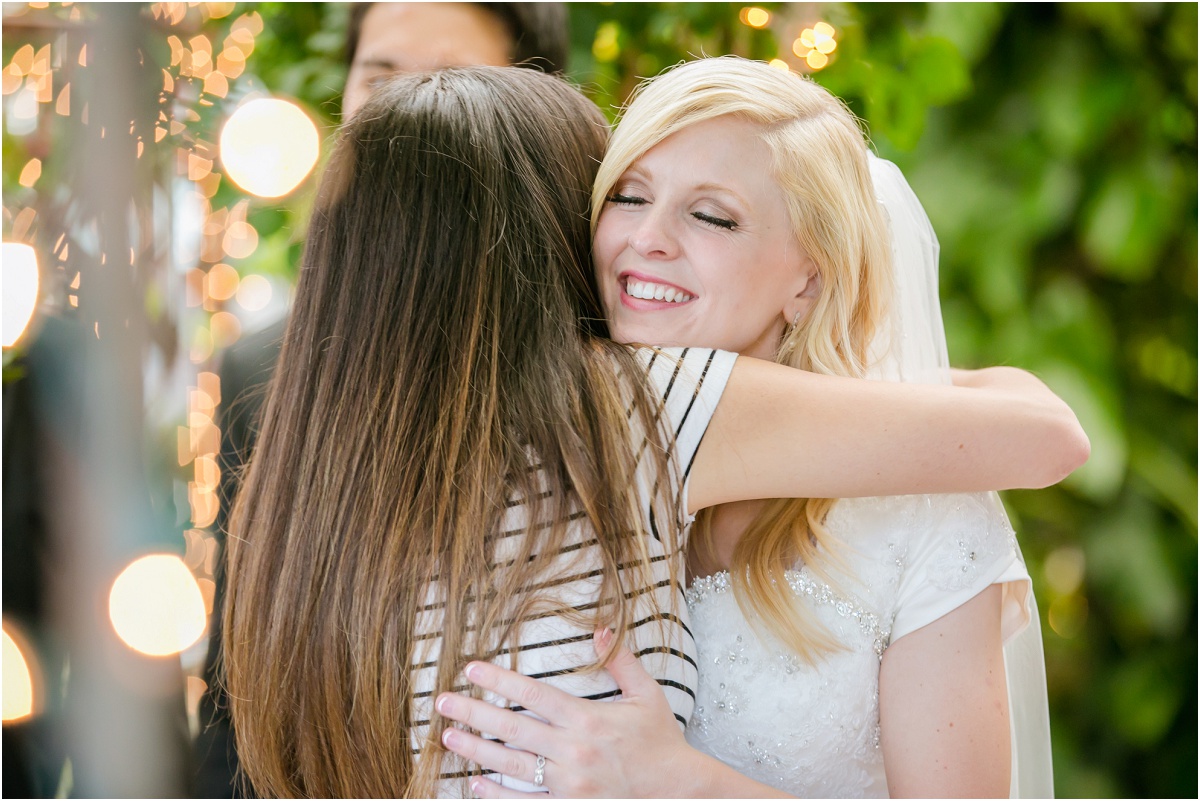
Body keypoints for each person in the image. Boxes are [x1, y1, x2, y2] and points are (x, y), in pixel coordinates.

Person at [222, 65, 1086, 798]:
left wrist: (684, 780)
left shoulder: (319, 477)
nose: (646, 240)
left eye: (713, 215)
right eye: (625, 196)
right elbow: (1041, 432)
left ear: (810, 281)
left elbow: (1045, 439)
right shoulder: (616, 409)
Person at [194, 4, 569, 797]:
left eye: (446, 77)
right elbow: (237, 694)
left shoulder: (591, 358)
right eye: (380, 73)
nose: (403, 107)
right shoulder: (263, 362)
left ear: (535, 100)